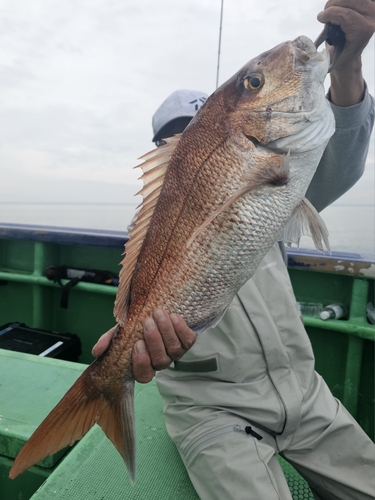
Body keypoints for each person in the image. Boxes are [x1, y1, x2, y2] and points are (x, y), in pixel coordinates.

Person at [93, 1, 375, 498]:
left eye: (193, 132)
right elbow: (148, 300)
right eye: (172, 142)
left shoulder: (282, 188)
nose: (185, 150)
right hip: (210, 411)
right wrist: (128, 344)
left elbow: (342, 161)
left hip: (306, 394)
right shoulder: (157, 235)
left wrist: (347, 64)